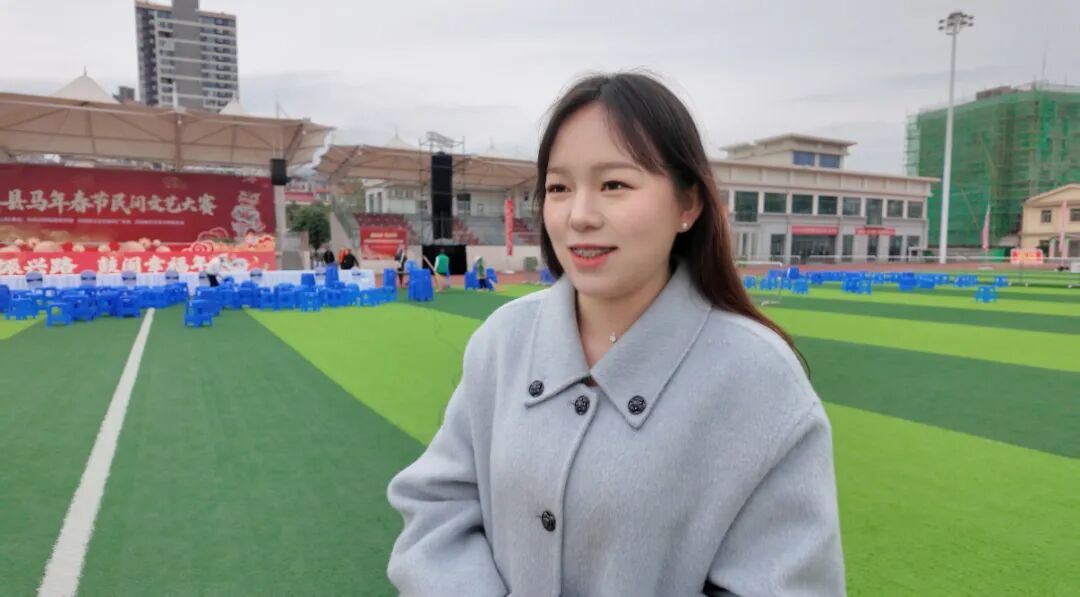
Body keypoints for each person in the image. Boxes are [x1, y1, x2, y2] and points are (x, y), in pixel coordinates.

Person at [387, 72, 845, 596]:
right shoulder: (503, 340)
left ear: (688, 204)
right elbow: (438, 508)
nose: (579, 216)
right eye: (559, 188)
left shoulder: (759, 379)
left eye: (614, 185)